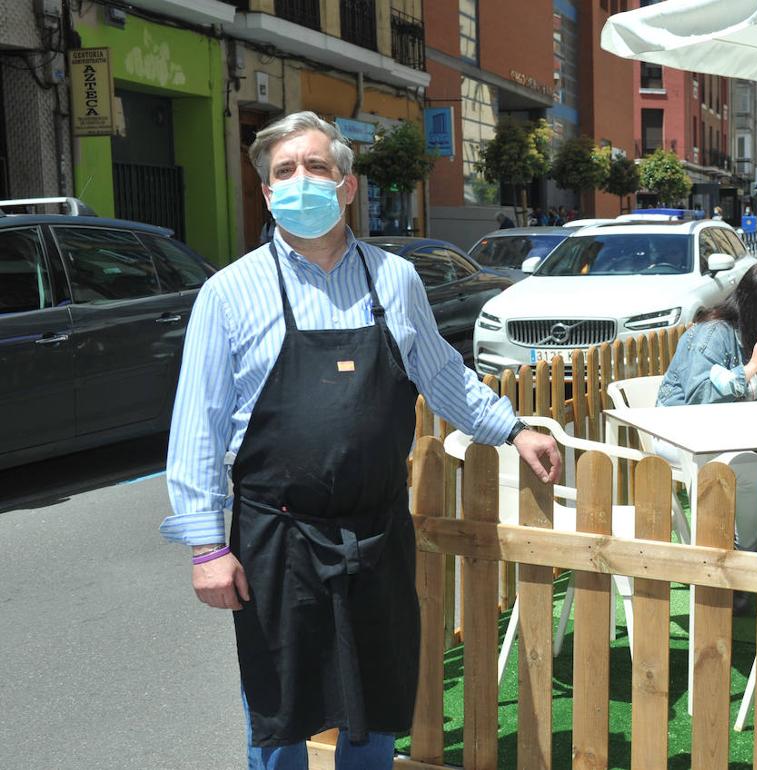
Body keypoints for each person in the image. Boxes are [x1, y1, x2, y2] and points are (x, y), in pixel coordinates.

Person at [161, 111, 561, 765]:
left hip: (377, 533)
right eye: (283, 172)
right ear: (266, 193)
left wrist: (512, 428)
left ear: (347, 185)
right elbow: (196, 429)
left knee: (374, 704)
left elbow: (442, 375)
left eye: (316, 166)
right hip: (277, 540)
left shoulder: (394, 280)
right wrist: (207, 545)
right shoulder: (227, 294)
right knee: (280, 712)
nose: (300, 181)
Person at [656, 263, 757, 572]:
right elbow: (699, 401)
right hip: (682, 435)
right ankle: (743, 559)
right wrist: (750, 368)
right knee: (751, 470)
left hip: (736, 436)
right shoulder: (714, 333)